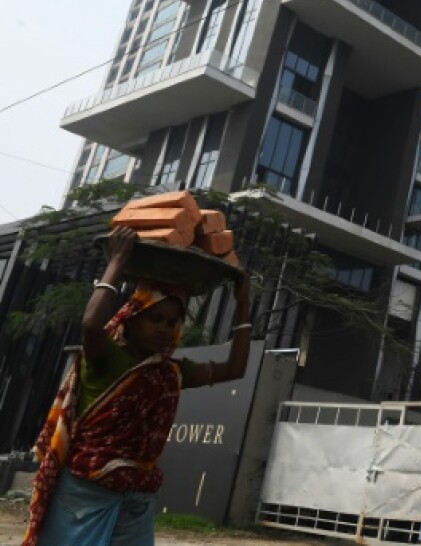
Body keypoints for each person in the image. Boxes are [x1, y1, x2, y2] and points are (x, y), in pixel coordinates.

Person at [23, 226, 252, 545]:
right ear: (131, 318)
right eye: (155, 318)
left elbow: (235, 369)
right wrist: (117, 261)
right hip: (86, 492)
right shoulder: (105, 358)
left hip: (137, 498)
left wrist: (243, 305)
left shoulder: (171, 372)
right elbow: (91, 324)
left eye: (172, 322)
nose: (164, 329)